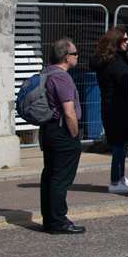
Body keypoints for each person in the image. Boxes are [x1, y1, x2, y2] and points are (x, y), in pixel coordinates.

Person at [38, 38, 85, 235]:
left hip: (48, 130)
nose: (77, 57)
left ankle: (50, 219)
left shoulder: (46, 72)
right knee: (60, 178)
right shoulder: (62, 78)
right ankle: (59, 221)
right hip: (61, 131)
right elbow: (68, 111)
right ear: (66, 57)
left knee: (50, 175)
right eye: (75, 54)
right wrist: (74, 135)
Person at [90, 29, 128, 195]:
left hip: (116, 108)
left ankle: (121, 177)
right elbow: (125, 81)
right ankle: (115, 180)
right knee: (119, 146)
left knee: (122, 145)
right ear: (116, 41)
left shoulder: (114, 60)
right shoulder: (114, 63)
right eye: (124, 39)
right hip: (116, 110)